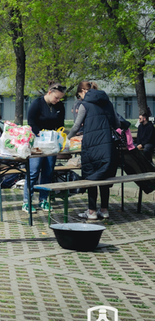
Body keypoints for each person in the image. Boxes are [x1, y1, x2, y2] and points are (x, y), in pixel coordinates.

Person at [67, 82, 119, 220]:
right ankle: (104, 210)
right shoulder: (108, 104)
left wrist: (67, 138)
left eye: (79, 95)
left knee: (91, 177)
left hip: (91, 146)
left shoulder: (84, 105)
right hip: (107, 147)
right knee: (104, 177)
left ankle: (91, 211)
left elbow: (76, 126)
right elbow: (117, 123)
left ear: (83, 91)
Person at [23, 82, 66, 213]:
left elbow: (60, 124)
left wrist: (58, 136)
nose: (58, 100)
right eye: (56, 97)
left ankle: (43, 200)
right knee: (33, 171)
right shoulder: (37, 103)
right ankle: (27, 201)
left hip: (52, 142)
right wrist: (40, 133)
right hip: (38, 142)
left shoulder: (60, 106)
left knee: (48, 171)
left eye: (60, 98)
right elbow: (31, 123)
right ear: (49, 93)